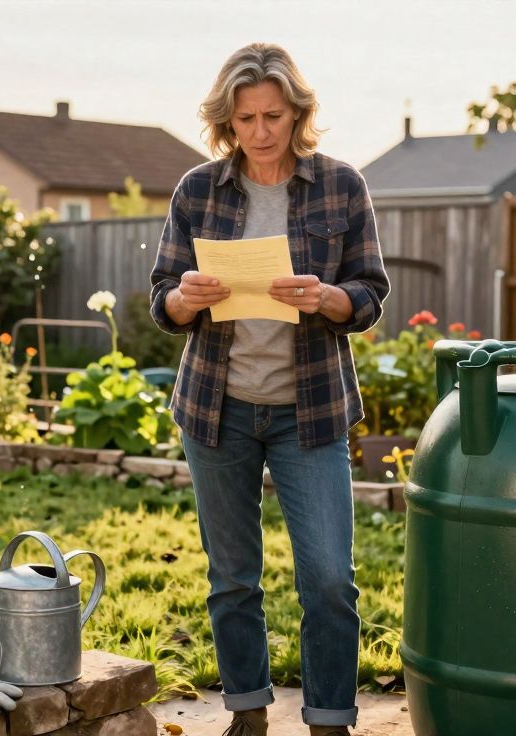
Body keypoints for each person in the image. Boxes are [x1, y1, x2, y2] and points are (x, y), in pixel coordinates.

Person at [149, 42, 390, 736]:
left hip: (308, 413)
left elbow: (370, 294)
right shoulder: (198, 190)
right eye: (247, 117)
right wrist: (187, 299)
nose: (260, 132)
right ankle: (247, 715)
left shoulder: (342, 186)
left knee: (328, 581)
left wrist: (326, 298)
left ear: (297, 114)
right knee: (232, 579)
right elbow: (161, 301)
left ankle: (329, 721)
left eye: (273, 116)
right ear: (227, 120)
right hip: (215, 410)